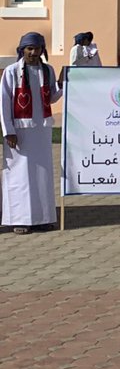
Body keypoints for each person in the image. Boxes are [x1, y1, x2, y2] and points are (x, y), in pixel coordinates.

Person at [1, 32, 62, 234]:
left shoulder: (47, 70)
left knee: (42, 175)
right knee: (20, 176)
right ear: (22, 50)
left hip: (41, 130)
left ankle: (42, 218)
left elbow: (52, 97)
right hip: (19, 132)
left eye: (37, 49)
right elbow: (3, 103)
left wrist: (63, 84)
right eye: (30, 49)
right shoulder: (11, 72)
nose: (34, 53)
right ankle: (19, 220)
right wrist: (8, 131)